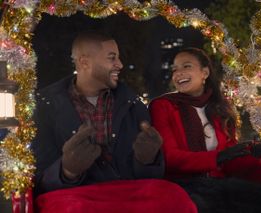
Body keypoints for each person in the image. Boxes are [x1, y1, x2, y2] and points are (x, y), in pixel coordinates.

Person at [31, 31, 197, 213]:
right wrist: (67, 170)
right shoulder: (44, 107)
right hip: (76, 197)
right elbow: (37, 182)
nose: (120, 64)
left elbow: (149, 179)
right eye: (112, 58)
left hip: (129, 195)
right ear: (85, 62)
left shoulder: (134, 105)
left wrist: (147, 160)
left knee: (175, 196)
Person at [150, 48, 261, 213]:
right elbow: (171, 158)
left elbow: (230, 162)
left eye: (186, 66)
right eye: (175, 69)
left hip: (218, 182)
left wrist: (258, 150)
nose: (178, 73)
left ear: (204, 73)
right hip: (183, 184)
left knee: (260, 195)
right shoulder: (162, 106)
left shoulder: (219, 108)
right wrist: (218, 157)